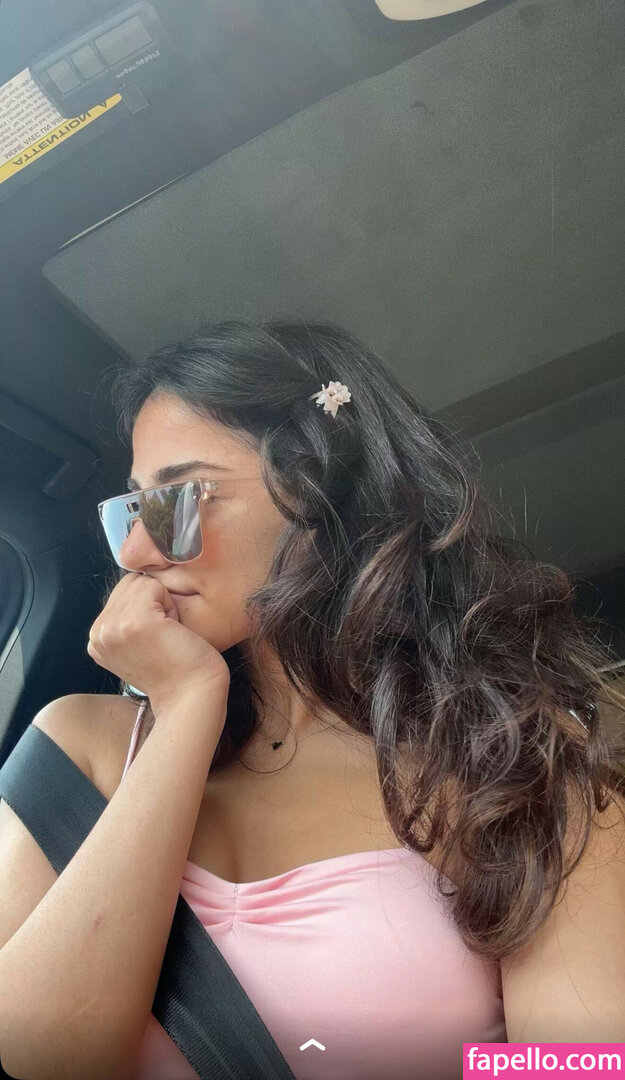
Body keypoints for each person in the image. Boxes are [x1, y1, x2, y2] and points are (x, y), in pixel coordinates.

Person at [1, 319, 624, 1079]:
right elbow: (40, 1055)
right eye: (135, 509)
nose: (137, 551)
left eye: (179, 498)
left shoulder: (515, 772)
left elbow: (576, 1065)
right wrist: (189, 707)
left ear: (320, 491)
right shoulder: (78, 749)